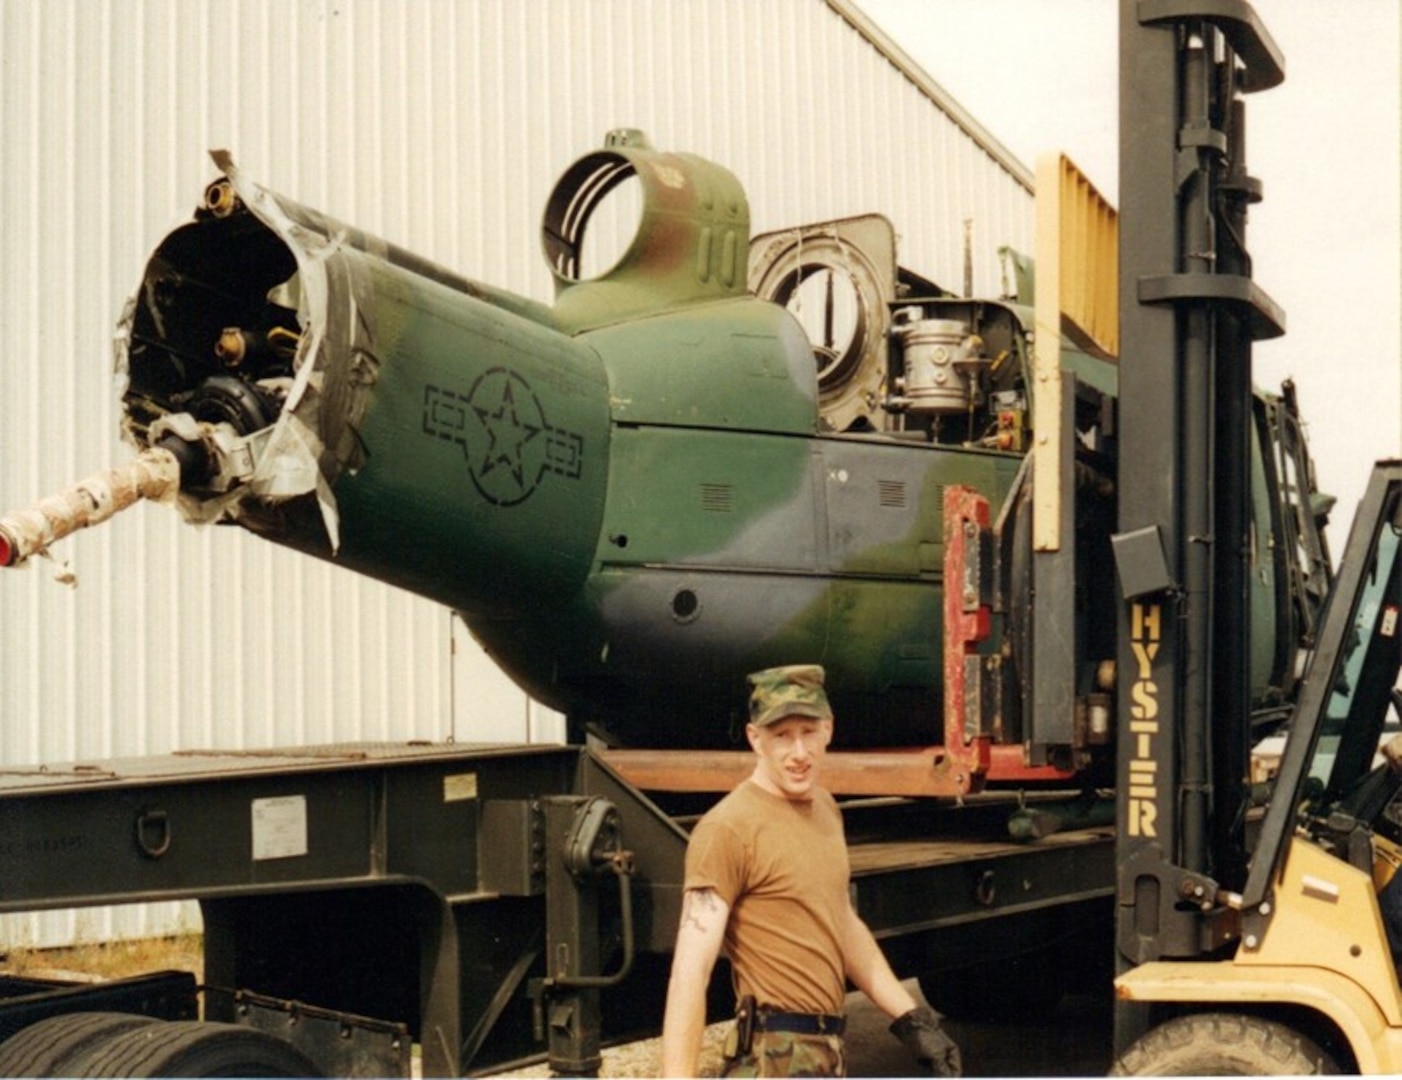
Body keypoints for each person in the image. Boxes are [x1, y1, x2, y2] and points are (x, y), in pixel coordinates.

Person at [660, 664, 961, 1078]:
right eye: (781, 736)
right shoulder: (727, 829)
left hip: (826, 1051)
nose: (799, 753)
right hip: (772, 1058)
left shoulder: (824, 808)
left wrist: (911, 1019)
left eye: (808, 732)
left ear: (828, 729)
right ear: (755, 739)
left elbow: (841, 921)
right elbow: (691, 971)